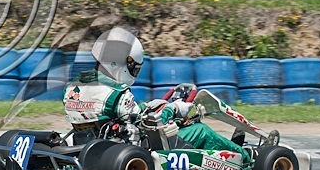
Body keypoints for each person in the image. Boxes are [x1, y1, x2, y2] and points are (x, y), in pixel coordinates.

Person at [63, 27, 249, 159]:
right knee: (201, 131)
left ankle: (233, 149)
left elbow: (121, 116)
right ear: (119, 64)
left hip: (90, 144)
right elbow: (142, 124)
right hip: (130, 148)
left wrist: (149, 106)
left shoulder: (72, 87)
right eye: (132, 67)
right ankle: (247, 157)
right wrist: (174, 108)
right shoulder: (116, 94)